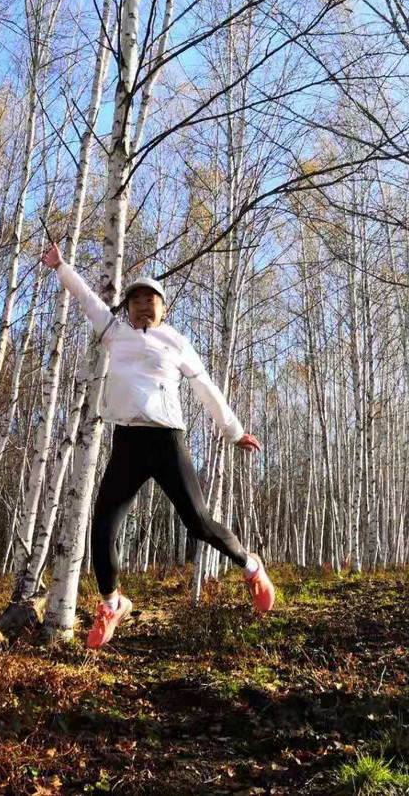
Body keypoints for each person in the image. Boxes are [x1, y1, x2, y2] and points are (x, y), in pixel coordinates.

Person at [41, 242, 276, 649]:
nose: (143, 307)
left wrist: (233, 431)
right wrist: (61, 266)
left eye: (151, 301)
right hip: (128, 441)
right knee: (103, 526)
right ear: (126, 308)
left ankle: (251, 566)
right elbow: (84, 296)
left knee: (198, 522)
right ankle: (112, 602)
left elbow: (206, 388)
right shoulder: (113, 331)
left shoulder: (176, 342)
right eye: (135, 302)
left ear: (164, 308)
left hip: (167, 439)